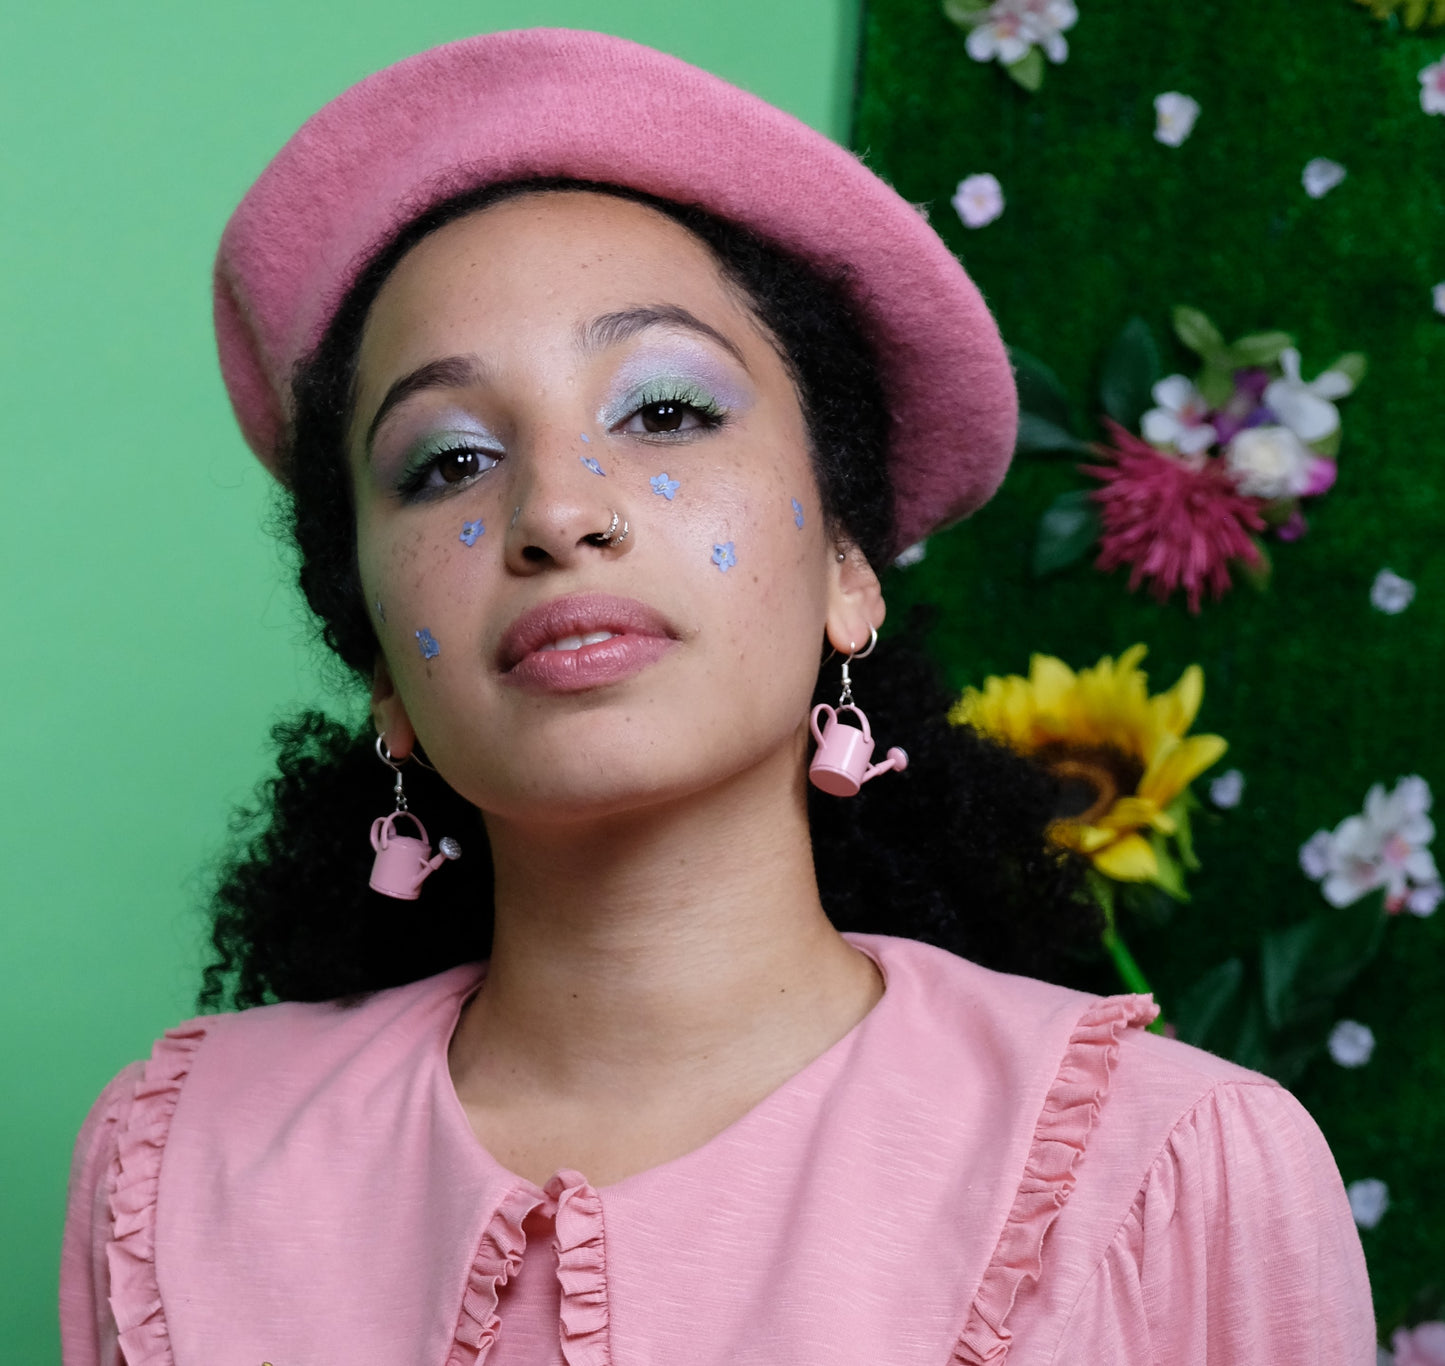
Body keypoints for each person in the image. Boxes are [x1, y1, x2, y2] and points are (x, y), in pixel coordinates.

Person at [60, 28, 1374, 1365]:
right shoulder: (170, 1170)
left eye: (668, 413)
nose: (558, 511)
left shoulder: (1175, 1169)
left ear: (847, 573)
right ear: (383, 669)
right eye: (449, 458)